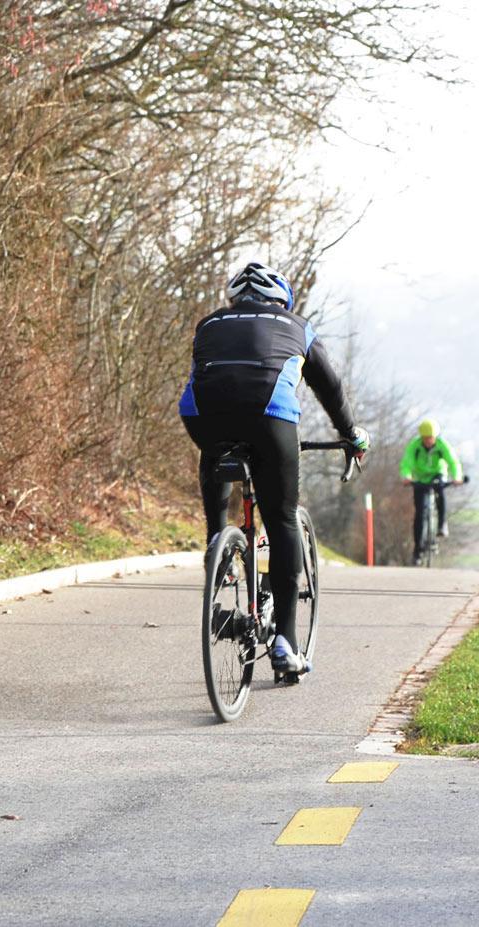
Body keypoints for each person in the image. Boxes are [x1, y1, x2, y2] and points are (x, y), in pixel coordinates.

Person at [179, 262, 368, 678]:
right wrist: (350, 434)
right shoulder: (297, 326)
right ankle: (286, 641)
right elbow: (330, 388)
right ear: (282, 300)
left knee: (215, 446)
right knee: (281, 517)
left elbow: (212, 377)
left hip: (201, 418)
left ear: (235, 300)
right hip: (269, 419)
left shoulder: (208, 324)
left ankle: (217, 541)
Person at [399, 419, 465, 548]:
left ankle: (442, 524)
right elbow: (406, 463)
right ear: (421, 437)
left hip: (437, 474)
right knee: (419, 513)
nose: (428, 441)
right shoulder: (414, 446)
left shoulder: (442, 445)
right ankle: (418, 548)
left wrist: (457, 477)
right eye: (425, 438)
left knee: (440, 490)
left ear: (435, 436)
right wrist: (406, 476)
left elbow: (453, 462)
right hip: (420, 478)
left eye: (431, 438)